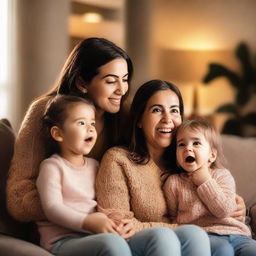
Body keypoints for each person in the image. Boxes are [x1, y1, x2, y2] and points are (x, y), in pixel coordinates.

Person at [7, 37, 133, 222]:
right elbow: (18, 196)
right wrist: (79, 213)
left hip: (107, 223)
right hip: (56, 228)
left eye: (125, 79)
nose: (122, 90)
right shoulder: (44, 110)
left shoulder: (125, 116)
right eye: (110, 81)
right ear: (82, 83)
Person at [96, 79, 212, 256]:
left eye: (174, 111)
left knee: (199, 236)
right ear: (139, 120)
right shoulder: (118, 159)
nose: (168, 119)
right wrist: (177, 228)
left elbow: (218, 195)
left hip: (187, 238)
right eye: (157, 110)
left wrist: (238, 206)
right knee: (167, 236)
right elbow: (119, 224)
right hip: (137, 244)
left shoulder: (189, 160)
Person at [36, 95, 133, 255]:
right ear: (58, 133)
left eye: (92, 123)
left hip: (94, 236)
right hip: (62, 241)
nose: (90, 129)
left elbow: (105, 203)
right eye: (81, 123)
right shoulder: (51, 167)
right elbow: (52, 208)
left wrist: (118, 223)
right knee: (112, 244)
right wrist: (87, 222)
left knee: (147, 238)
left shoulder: (95, 165)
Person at [163, 119, 256, 256]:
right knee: (223, 250)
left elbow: (224, 210)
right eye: (181, 144)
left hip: (237, 233)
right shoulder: (173, 183)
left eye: (196, 143)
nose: (188, 148)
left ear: (212, 155)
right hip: (204, 236)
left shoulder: (222, 176)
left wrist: (205, 181)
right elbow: (171, 217)